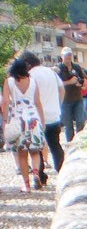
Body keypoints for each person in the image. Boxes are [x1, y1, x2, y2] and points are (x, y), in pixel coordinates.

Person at [1, 57, 46, 192]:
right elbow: (37, 102)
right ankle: (36, 173)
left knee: (22, 154)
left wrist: (5, 120)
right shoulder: (33, 82)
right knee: (35, 151)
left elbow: (5, 103)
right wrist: (42, 120)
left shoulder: (9, 82)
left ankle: (26, 184)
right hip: (33, 118)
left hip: (18, 119)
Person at [21, 51, 65, 179]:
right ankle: (62, 170)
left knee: (37, 147)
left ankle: (40, 175)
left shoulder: (30, 76)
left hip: (38, 116)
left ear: (27, 64)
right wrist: (58, 105)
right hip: (54, 114)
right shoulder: (51, 72)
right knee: (55, 145)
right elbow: (62, 89)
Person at [58, 46, 86, 142]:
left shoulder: (77, 67)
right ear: (62, 56)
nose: (68, 57)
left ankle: (81, 141)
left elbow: (83, 79)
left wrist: (81, 84)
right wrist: (69, 82)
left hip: (78, 98)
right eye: (66, 55)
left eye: (69, 55)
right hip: (65, 100)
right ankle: (70, 143)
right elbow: (58, 84)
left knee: (80, 122)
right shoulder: (59, 69)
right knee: (68, 125)